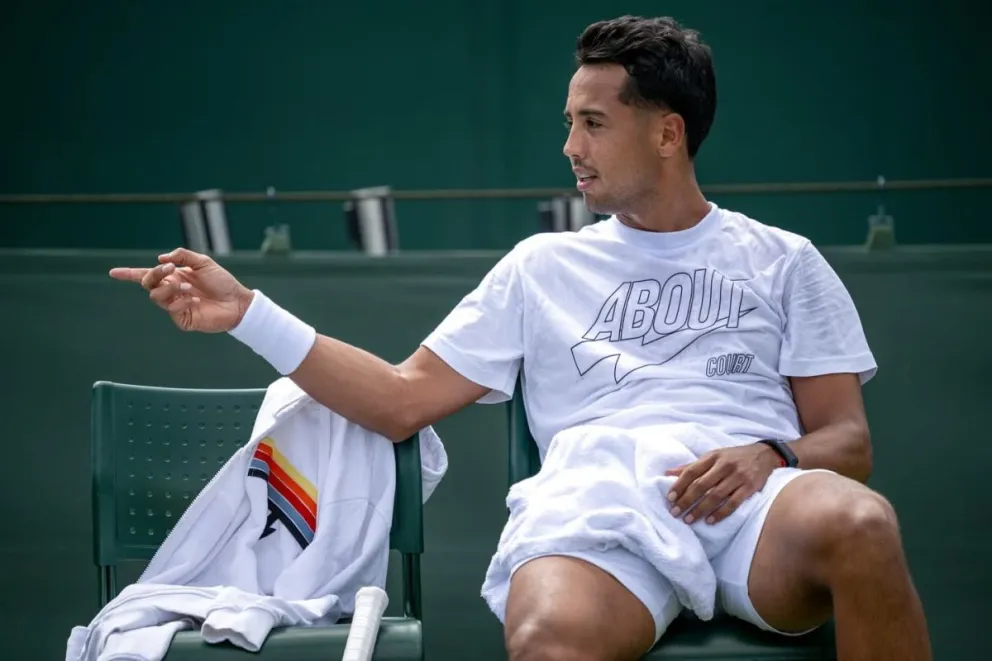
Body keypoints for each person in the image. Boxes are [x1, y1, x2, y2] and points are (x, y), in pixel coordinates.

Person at [109, 15, 931, 661]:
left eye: (593, 123)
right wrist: (249, 311)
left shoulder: (785, 260)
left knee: (863, 524)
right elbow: (401, 402)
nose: (570, 147)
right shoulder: (540, 266)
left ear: (668, 133)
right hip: (598, 508)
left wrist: (771, 455)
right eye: (569, 122)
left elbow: (848, 440)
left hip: (755, 505)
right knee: (547, 641)